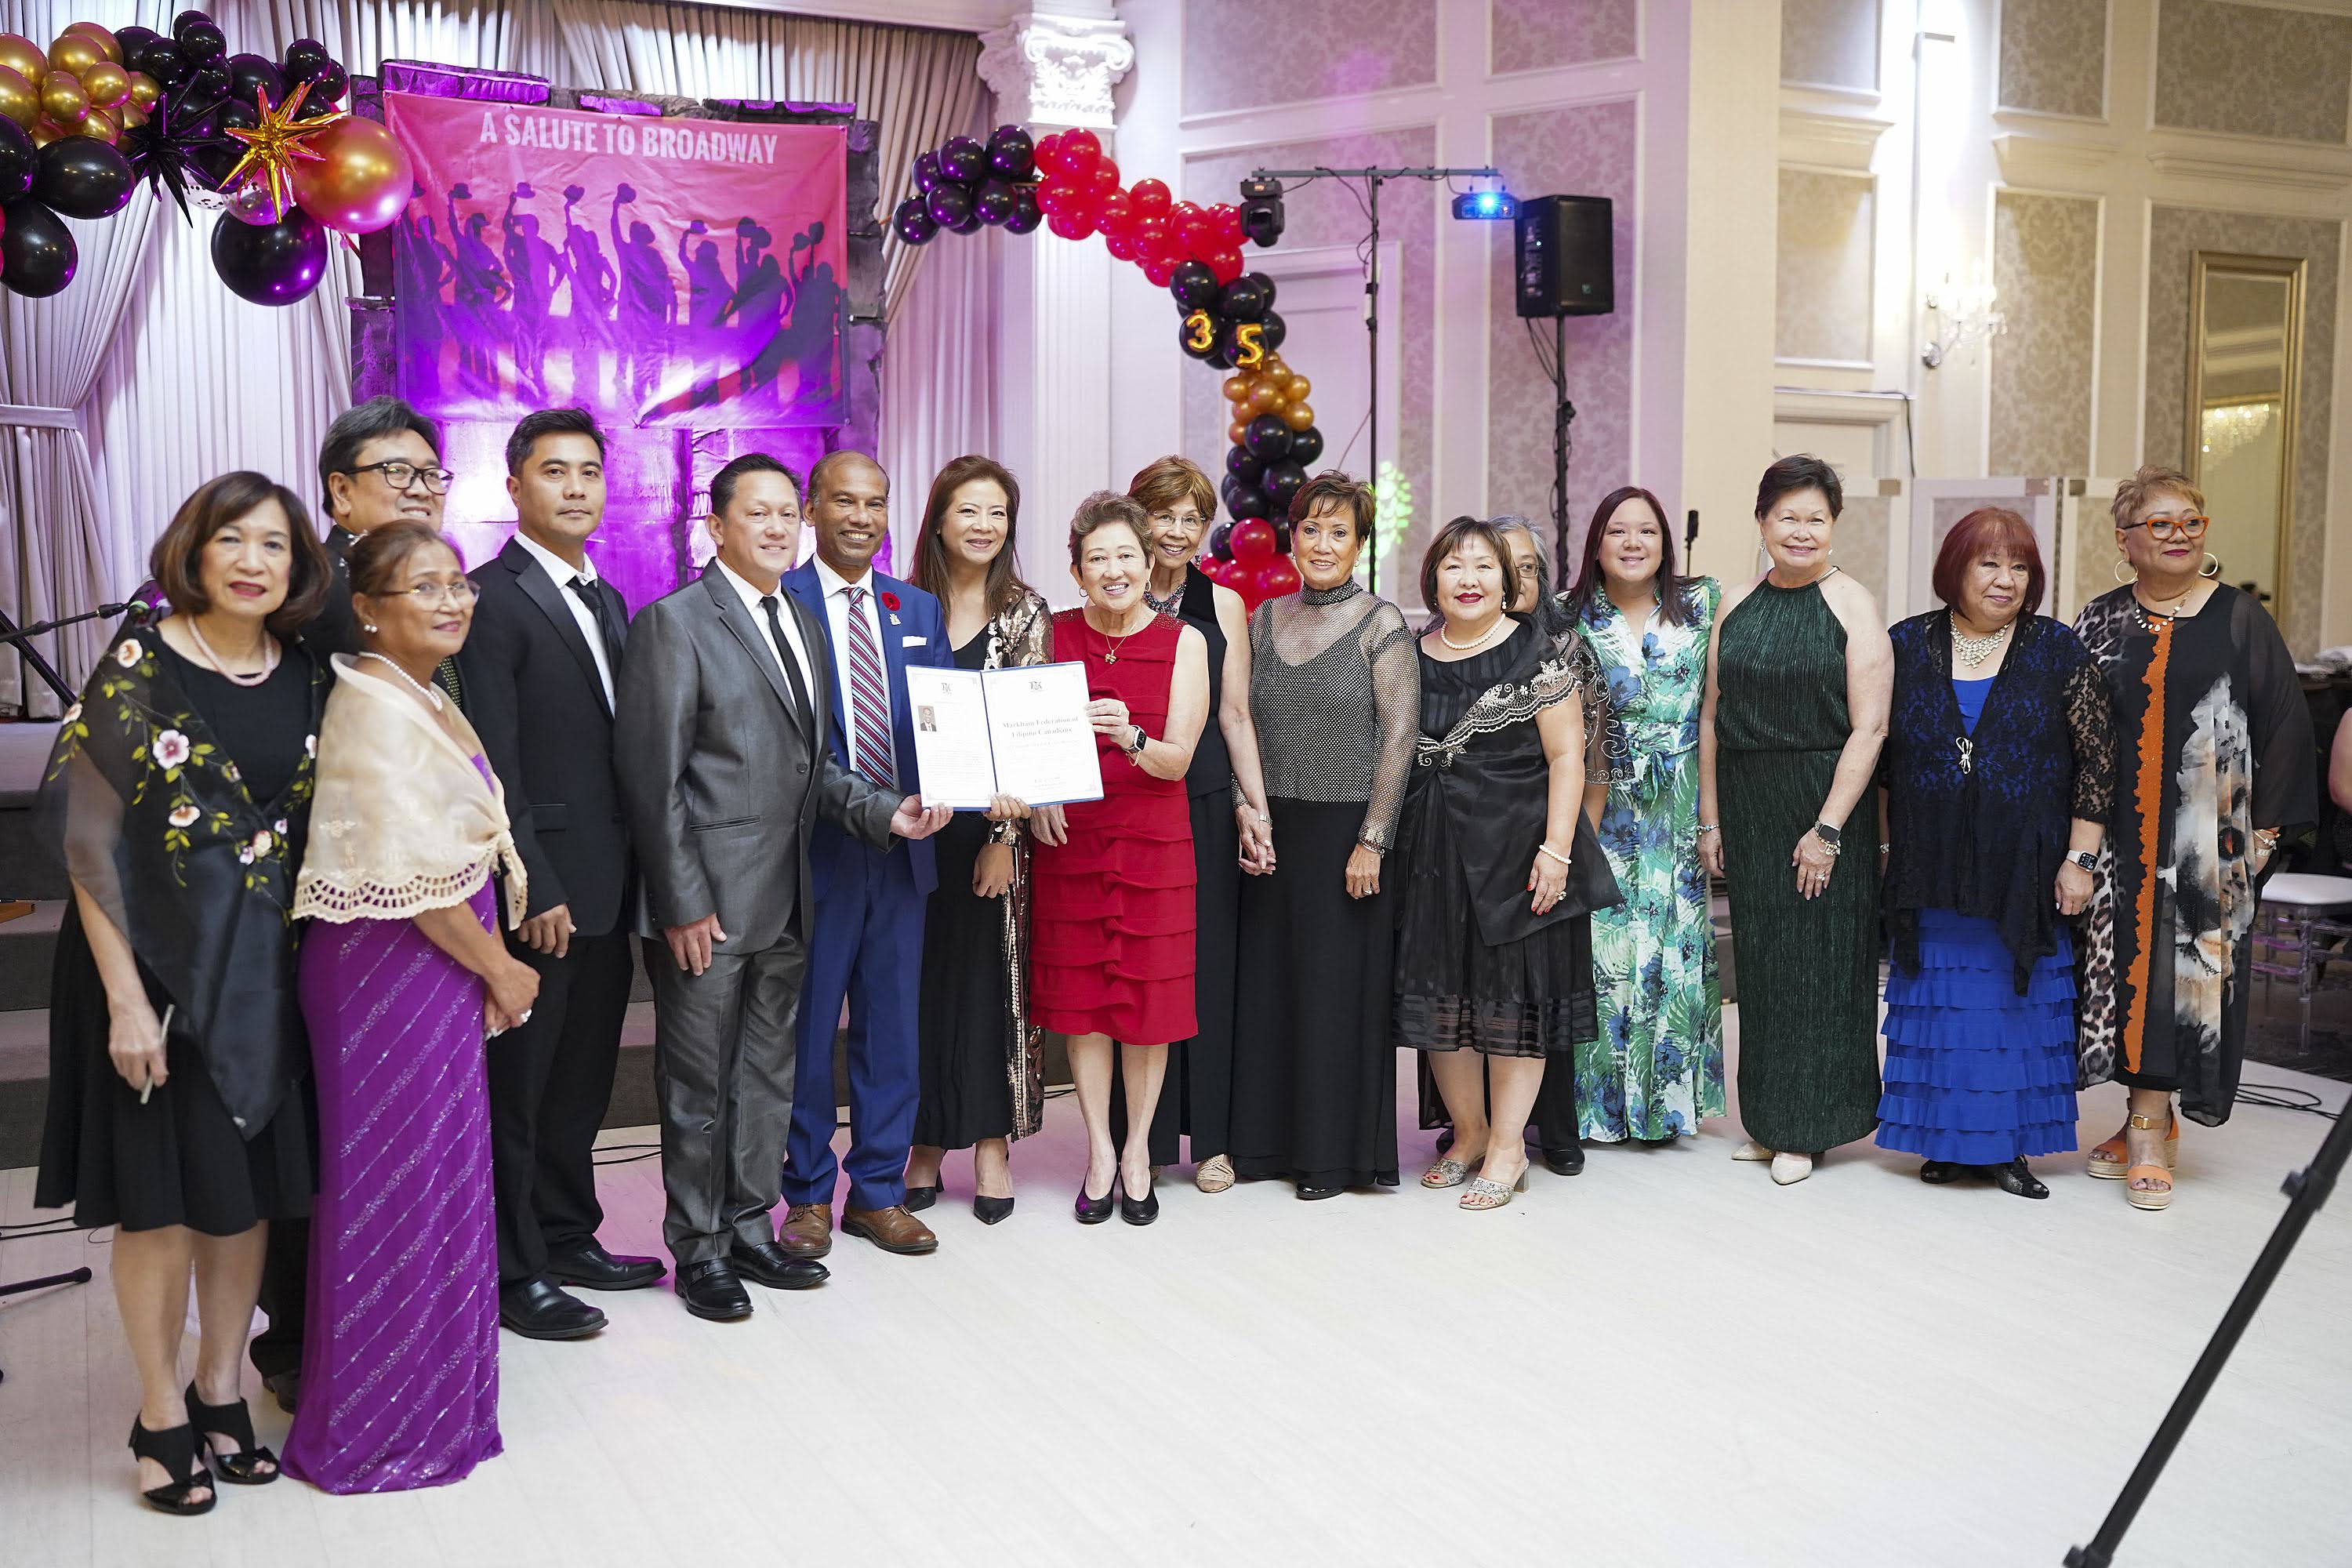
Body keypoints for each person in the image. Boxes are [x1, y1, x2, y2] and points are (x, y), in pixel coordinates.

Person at [36, 474, 330, 1515]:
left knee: (240, 1198)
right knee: (159, 1205)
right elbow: (87, 844)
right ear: (194, 552)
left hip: (259, 976)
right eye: (233, 540)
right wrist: (123, 999)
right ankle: (160, 1410)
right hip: (149, 969)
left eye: (275, 546)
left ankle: (221, 1389)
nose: (254, 562)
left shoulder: (307, 673)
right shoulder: (141, 664)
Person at [619, 454, 946, 1319]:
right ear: (715, 525)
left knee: (765, 1075)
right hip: (709, 905)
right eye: (754, 513)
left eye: (781, 514)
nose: (773, 528)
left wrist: (888, 812)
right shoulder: (674, 622)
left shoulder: (796, 621)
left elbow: (813, 769)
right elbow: (653, 783)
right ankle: (699, 1250)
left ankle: (747, 1226)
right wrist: (682, 901)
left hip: (789, 897)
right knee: (697, 1087)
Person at [283, 521, 535, 1492]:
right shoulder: (371, 707)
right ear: (367, 608)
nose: (451, 600)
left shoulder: (417, 694)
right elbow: (407, 876)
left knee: (437, 1180)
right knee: (394, 1189)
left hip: (426, 965)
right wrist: (501, 969)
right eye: (423, 587)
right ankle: (376, 1426)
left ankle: (436, 1402)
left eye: (457, 583)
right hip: (385, 969)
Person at [249, 396, 453, 1413]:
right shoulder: (310, 601)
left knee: (378, 1132)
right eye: (395, 473)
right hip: (330, 905)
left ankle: (386, 1318)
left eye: (430, 475)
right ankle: (299, 1336)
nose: (419, 490)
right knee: (316, 1125)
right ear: (338, 490)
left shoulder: (423, 586)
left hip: (415, 901)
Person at [457, 408, 662, 1341]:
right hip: (546, 890)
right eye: (554, 471)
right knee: (522, 1087)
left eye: (589, 471)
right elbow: (493, 758)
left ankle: (569, 1232)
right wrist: (533, 882)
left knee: (581, 1080)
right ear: (513, 486)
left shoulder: (608, 596)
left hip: (610, 882)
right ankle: (513, 1268)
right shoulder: (488, 599)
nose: (576, 487)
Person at [2072, 466, 2317, 1210]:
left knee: (2189, 978)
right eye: (2160, 523)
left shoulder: (2240, 617)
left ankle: (2149, 1128)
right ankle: (2146, 1114)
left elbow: (2285, 723)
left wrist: (2265, 832)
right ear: (2125, 540)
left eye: (2191, 522)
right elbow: (2072, 729)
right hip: (2117, 837)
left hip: (2211, 840)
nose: (2178, 535)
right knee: (2121, 978)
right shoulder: (2100, 618)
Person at [1877, 508, 2114, 1199]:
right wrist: (1886, 848)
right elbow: (1880, 756)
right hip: (1929, 864)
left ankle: (2006, 1149)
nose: (2006, 579)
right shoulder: (1906, 644)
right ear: (1956, 568)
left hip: (2025, 870)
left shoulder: (2055, 648)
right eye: (1989, 564)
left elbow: (2098, 762)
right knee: (1943, 1009)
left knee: (2011, 1014)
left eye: (2019, 568)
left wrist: (2080, 861)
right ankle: (1945, 1144)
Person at [1396, 518, 1617, 1210]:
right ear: (1433, 579)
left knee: (1513, 1003)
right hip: (1432, 852)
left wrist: (1558, 850)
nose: (1468, 580)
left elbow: (1568, 757)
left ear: (1508, 581)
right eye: (1454, 566)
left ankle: (1508, 1146)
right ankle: (1468, 1134)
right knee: (1444, 999)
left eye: (1484, 567)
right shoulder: (1411, 654)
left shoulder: (1537, 653)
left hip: (1520, 851)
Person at [779, 452, 956, 1261]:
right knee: (809, 1030)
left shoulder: (914, 606)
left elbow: (944, 720)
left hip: (905, 855)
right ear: (812, 507)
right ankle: (807, 1194)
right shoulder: (780, 601)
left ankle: (879, 1191)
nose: (861, 517)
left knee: (891, 1031)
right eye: (844, 501)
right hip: (814, 854)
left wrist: (959, 786)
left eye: (876, 503)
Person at [1697, 455, 1892, 1186]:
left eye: (1816, 518)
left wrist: (1829, 829)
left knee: (1821, 966)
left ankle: (1810, 1127)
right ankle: (1770, 1117)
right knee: (1765, 967)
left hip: (1823, 802)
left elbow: (1870, 729)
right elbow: (1711, 716)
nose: (1801, 531)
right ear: (1762, 522)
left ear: (1834, 525)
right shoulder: (1736, 603)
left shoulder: (1854, 605)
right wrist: (1711, 820)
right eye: (1788, 517)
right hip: (1749, 801)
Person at [1229, 472, 1419, 1198]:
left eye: (1340, 532)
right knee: (1270, 990)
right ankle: (1262, 1147)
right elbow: (1237, 720)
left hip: (1348, 836)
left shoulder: (1382, 624)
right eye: (1311, 529)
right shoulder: (1263, 619)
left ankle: (1331, 1159)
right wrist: (1246, 812)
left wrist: (1374, 839)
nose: (1323, 544)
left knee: (1336, 998)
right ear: (1292, 537)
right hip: (1272, 833)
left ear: (1361, 544)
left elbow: (1399, 738)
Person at [1031, 492, 1211, 1224]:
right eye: (1097, 558)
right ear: (1077, 569)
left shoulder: (1185, 642)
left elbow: (1178, 760)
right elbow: (1024, 738)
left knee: (1148, 1002)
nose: (1114, 570)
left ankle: (1139, 1150)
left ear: (1147, 562)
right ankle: (1100, 1152)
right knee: (1085, 1007)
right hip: (1072, 841)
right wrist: (1040, 797)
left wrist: (1131, 736)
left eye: (1126, 556)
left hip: (1152, 842)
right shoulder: (1051, 634)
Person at [902, 455, 1055, 1224]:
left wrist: (1003, 835)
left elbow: (1027, 734)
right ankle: (926, 1139)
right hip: (908, 827)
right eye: (969, 510)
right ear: (938, 520)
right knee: (918, 986)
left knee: (991, 984)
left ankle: (992, 1141)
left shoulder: (1025, 612)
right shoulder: (900, 604)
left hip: (990, 831)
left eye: (998, 513)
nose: (984, 525)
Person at [1121, 455, 1272, 1193]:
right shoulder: (1111, 593)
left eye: (1192, 518)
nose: (1178, 531)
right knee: (1138, 967)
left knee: (1209, 966)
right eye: (1165, 515)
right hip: (1127, 799)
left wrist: (1255, 808)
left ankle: (1212, 1138)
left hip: (1204, 798)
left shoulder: (1225, 605)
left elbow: (1235, 715)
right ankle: (1142, 1139)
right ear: (1138, 517)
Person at [1564, 486, 1726, 1145]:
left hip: (1676, 805)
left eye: (1647, 531)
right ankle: (1595, 1109)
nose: (1633, 543)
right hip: (1598, 799)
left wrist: (1711, 819)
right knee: (1600, 952)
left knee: (1673, 947)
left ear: (1665, 544)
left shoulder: (1705, 603)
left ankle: (1666, 1108)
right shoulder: (1566, 615)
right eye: (1618, 531)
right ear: (1596, 544)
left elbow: (1712, 715)